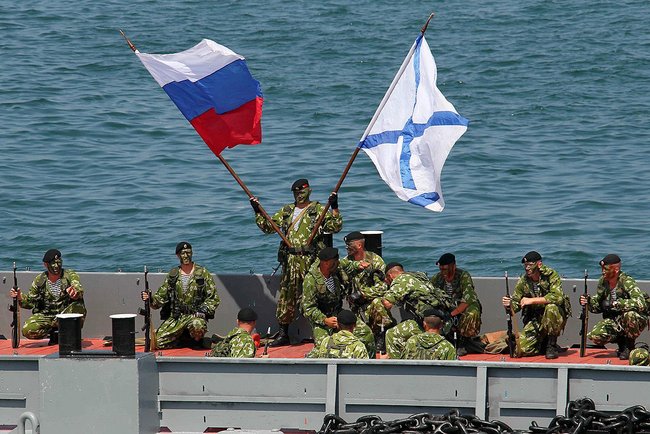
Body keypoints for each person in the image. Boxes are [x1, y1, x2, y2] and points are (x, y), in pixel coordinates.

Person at [250, 178, 342, 347]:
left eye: (302, 191)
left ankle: (324, 329)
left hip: (311, 260)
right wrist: (257, 211)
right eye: (296, 192)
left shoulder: (318, 210)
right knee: (287, 296)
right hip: (291, 261)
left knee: (317, 294)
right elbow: (268, 227)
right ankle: (284, 333)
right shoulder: (286, 211)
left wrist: (335, 207)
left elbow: (335, 227)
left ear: (309, 191)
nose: (299, 195)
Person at [142, 242, 220, 349]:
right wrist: (150, 298)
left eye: (188, 252)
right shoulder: (173, 275)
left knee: (198, 326)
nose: (186, 256)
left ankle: (197, 340)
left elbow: (213, 298)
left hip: (195, 316)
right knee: (157, 343)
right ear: (178, 255)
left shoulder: (202, 273)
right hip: (177, 317)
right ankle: (182, 341)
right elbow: (159, 299)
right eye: (183, 253)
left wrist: (202, 310)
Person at [301, 247, 375, 357]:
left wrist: (359, 265)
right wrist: (325, 320)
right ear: (326, 263)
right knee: (323, 346)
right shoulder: (311, 280)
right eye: (334, 262)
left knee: (366, 333)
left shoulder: (335, 267)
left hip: (337, 313)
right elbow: (308, 309)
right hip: (321, 318)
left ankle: (368, 364)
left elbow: (348, 265)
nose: (337, 264)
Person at [502, 251, 571, 359]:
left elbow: (558, 297)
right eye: (525, 265)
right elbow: (515, 305)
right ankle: (541, 344)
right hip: (535, 318)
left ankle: (551, 345)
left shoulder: (551, 275)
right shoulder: (523, 281)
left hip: (554, 316)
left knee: (551, 307)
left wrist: (531, 300)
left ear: (539, 264)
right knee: (521, 350)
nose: (527, 268)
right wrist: (508, 304)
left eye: (530, 265)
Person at [9, 248, 86, 345]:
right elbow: (30, 302)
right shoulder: (40, 280)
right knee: (28, 330)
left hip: (66, 314)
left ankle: (68, 332)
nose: (56, 266)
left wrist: (75, 292)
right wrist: (19, 297)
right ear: (45, 265)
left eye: (59, 262)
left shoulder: (69, 275)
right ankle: (52, 333)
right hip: (47, 316)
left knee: (78, 306)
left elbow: (77, 287)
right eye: (53, 263)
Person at [579, 254, 648, 360]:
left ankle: (629, 346)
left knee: (630, 315)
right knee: (595, 336)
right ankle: (621, 343)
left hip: (633, 318)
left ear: (616, 270)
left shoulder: (626, 281)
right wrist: (588, 302)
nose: (603, 271)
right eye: (602, 269)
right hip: (614, 320)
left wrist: (616, 303)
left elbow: (640, 302)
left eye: (606, 269)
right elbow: (597, 307)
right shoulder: (603, 282)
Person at [382, 263, 453, 359]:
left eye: (387, 280)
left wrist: (382, 296)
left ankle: (397, 366)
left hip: (426, 323)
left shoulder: (401, 279)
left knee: (392, 334)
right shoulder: (417, 276)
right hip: (441, 321)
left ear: (390, 276)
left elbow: (387, 303)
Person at [342, 231, 391, 349]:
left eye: (349, 245)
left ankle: (381, 335)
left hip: (370, 302)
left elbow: (383, 287)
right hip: (353, 303)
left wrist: (363, 294)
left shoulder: (375, 260)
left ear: (359, 246)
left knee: (378, 303)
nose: (347, 248)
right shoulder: (346, 262)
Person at [429, 253, 482, 356]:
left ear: (453, 266)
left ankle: (464, 340)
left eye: (445, 269)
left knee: (473, 312)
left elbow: (468, 299)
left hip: (462, 306)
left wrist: (453, 314)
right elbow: (430, 294)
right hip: (446, 307)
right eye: (441, 269)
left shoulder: (463, 276)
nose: (443, 272)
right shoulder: (437, 278)